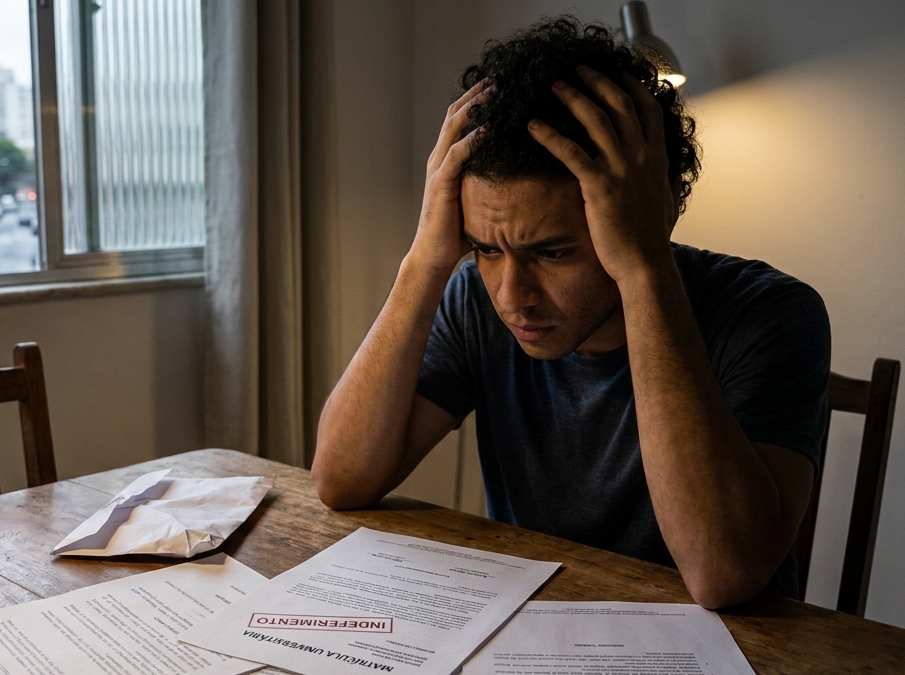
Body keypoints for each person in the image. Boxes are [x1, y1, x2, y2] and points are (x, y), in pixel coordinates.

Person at [311, 16, 830, 609]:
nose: (512, 296)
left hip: (732, 670)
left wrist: (645, 269)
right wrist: (424, 262)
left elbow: (723, 576)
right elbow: (341, 480)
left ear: (644, 213)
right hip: (533, 641)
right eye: (485, 249)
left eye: (552, 253)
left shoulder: (771, 315)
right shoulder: (475, 301)